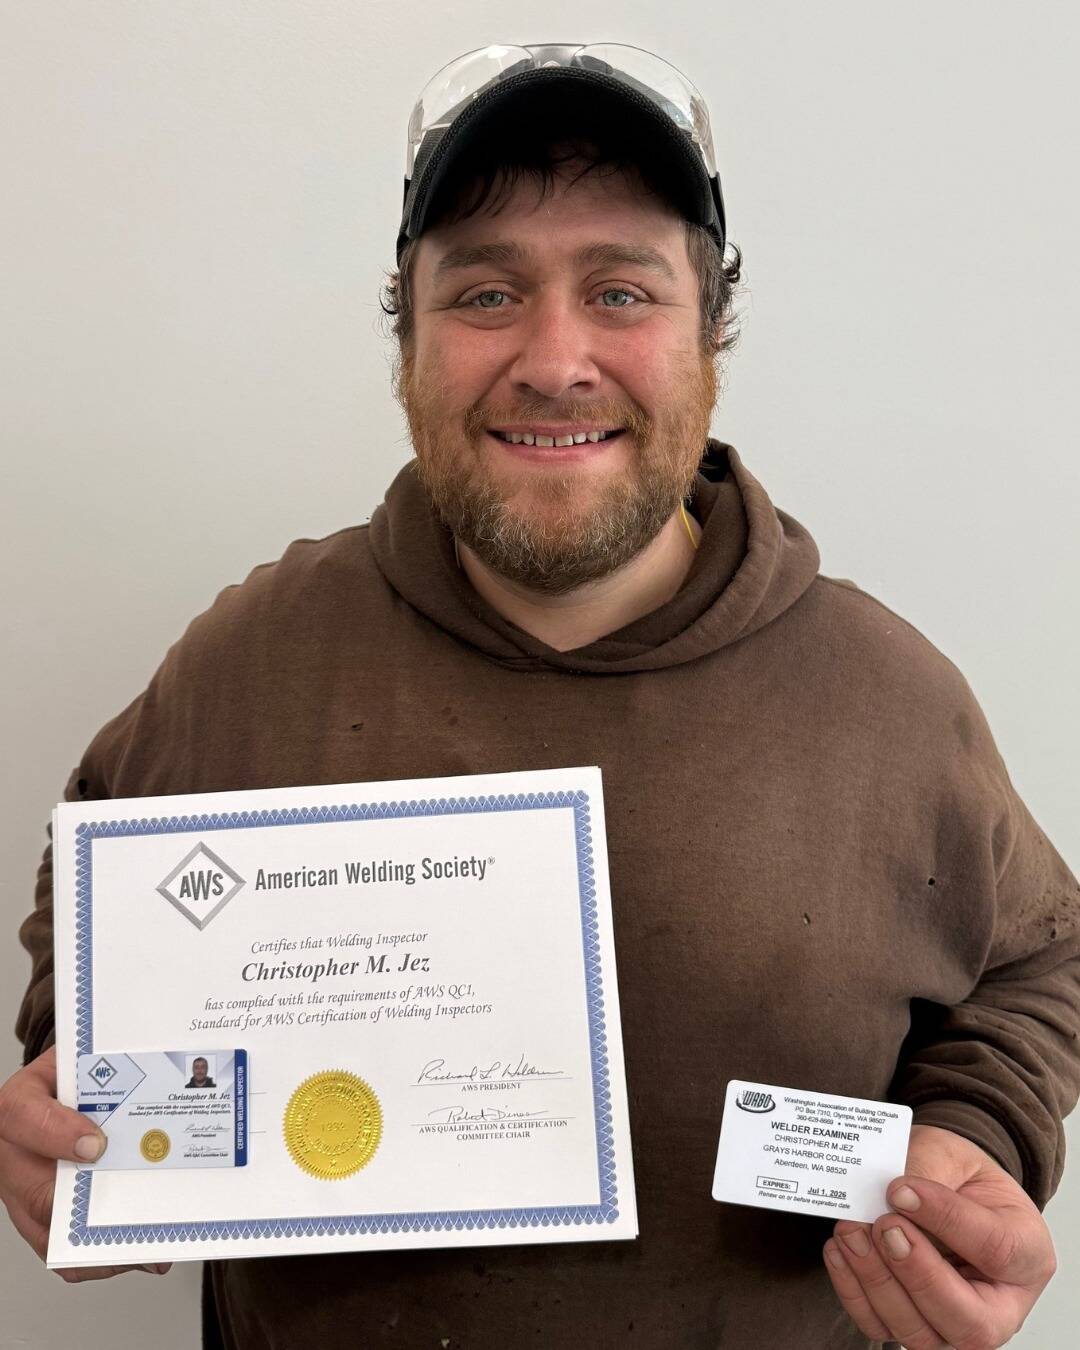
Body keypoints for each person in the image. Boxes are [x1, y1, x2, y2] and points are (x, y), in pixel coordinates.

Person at [3, 42, 1078, 1349]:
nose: (555, 359)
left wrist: (978, 1130)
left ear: (711, 332)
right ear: (407, 337)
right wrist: (83, 1094)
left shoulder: (889, 698)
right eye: (487, 292)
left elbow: (1041, 955)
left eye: (620, 291)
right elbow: (97, 866)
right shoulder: (253, 657)